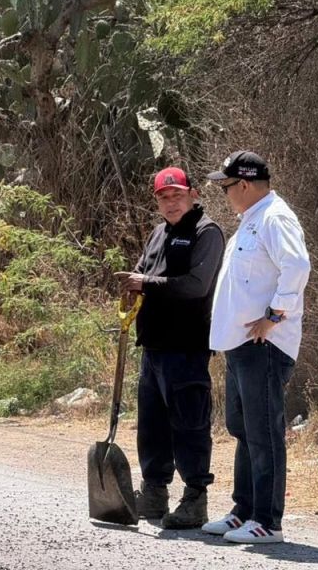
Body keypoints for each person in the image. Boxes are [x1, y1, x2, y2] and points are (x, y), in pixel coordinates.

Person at [201, 151, 310, 544]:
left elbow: (296, 267)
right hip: (241, 344)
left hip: (264, 343)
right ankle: (243, 511)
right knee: (242, 428)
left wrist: (274, 316)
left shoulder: (275, 217)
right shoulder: (252, 220)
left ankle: (268, 521)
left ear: (244, 184)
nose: (225, 194)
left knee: (264, 433)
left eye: (227, 186)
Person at [115, 167, 224, 529]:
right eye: (164, 197)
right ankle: (155, 494)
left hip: (187, 347)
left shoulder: (207, 232)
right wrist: (132, 283)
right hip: (154, 348)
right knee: (152, 426)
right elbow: (143, 271)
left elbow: (196, 285)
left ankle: (195, 499)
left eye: (177, 195)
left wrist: (145, 282)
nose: (171, 202)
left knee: (190, 426)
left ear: (192, 194)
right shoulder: (159, 233)